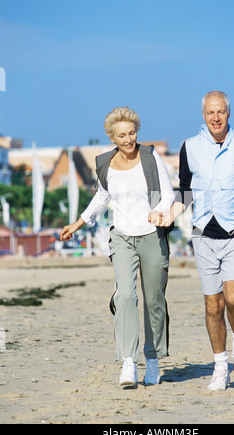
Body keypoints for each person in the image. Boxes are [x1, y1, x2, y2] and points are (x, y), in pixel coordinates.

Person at [154, 91, 234, 391]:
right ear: (203, 115)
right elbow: (186, 190)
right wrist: (168, 215)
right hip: (203, 235)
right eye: (210, 112)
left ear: (228, 113)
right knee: (213, 305)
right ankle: (220, 366)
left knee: (233, 296)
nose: (215, 117)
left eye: (220, 111)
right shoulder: (190, 147)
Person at [60, 107, 174, 388]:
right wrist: (77, 223)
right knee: (125, 295)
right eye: (122, 135)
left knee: (154, 300)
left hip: (152, 235)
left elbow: (170, 193)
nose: (128, 139)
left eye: (132, 133)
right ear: (113, 137)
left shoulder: (150, 157)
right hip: (122, 236)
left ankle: (153, 360)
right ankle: (127, 362)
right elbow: (102, 197)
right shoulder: (105, 164)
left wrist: (159, 211)